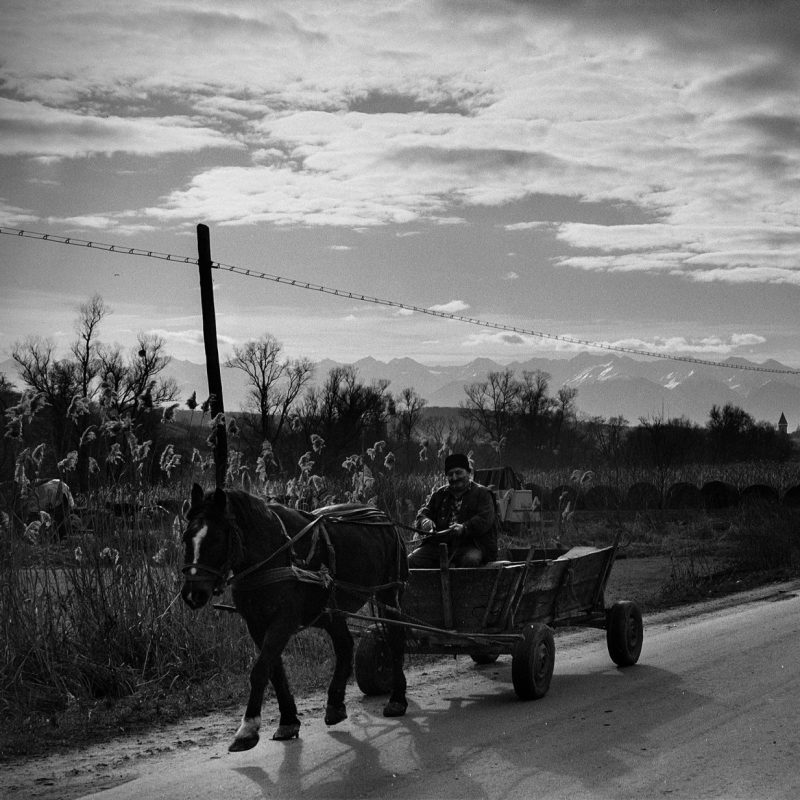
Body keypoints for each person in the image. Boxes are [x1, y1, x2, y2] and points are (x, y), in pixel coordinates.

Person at [409, 453, 498, 568]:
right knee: (410, 561)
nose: (454, 477)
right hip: (439, 545)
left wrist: (464, 528)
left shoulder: (483, 493)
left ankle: (468, 586)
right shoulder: (439, 494)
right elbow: (423, 514)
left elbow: (485, 519)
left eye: (458, 472)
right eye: (450, 474)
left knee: (470, 560)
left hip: (474, 545)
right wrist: (424, 522)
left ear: (468, 472)